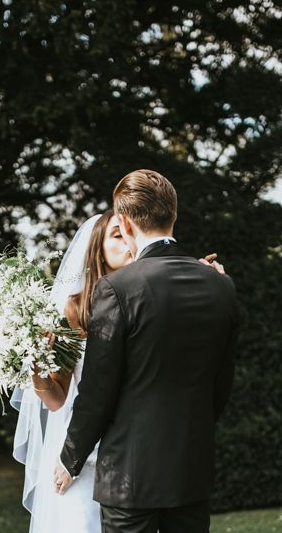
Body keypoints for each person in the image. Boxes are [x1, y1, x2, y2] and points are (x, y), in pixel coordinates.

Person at [12, 207, 227, 533]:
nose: (128, 243)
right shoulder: (74, 310)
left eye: (127, 234)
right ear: (97, 248)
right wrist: (36, 364)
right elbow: (57, 399)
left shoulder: (154, 296)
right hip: (87, 456)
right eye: (117, 235)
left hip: (146, 457)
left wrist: (208, 282)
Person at [54, 169, 240, 533]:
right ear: (173, 215)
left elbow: (98, 388)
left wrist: (70, 457)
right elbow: (222, 382)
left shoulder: (118, 287)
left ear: (123, 223)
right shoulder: (221, 285)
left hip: (129, 475)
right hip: (191, 467)